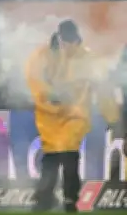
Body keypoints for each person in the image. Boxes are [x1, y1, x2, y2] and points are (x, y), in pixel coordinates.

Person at [25, 20, 124, 213]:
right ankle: (46, 197)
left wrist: (112, 118)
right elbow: (33, 77)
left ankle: (69, 198)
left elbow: (103, 89)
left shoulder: (88, 59)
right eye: (66, 41)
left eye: (72, 41)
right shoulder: (43, 54)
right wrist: (49, 94)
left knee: (69, 152)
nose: (69, 45)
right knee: (52, 155)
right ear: (59, 38)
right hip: (49, 116)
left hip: (75, 115)